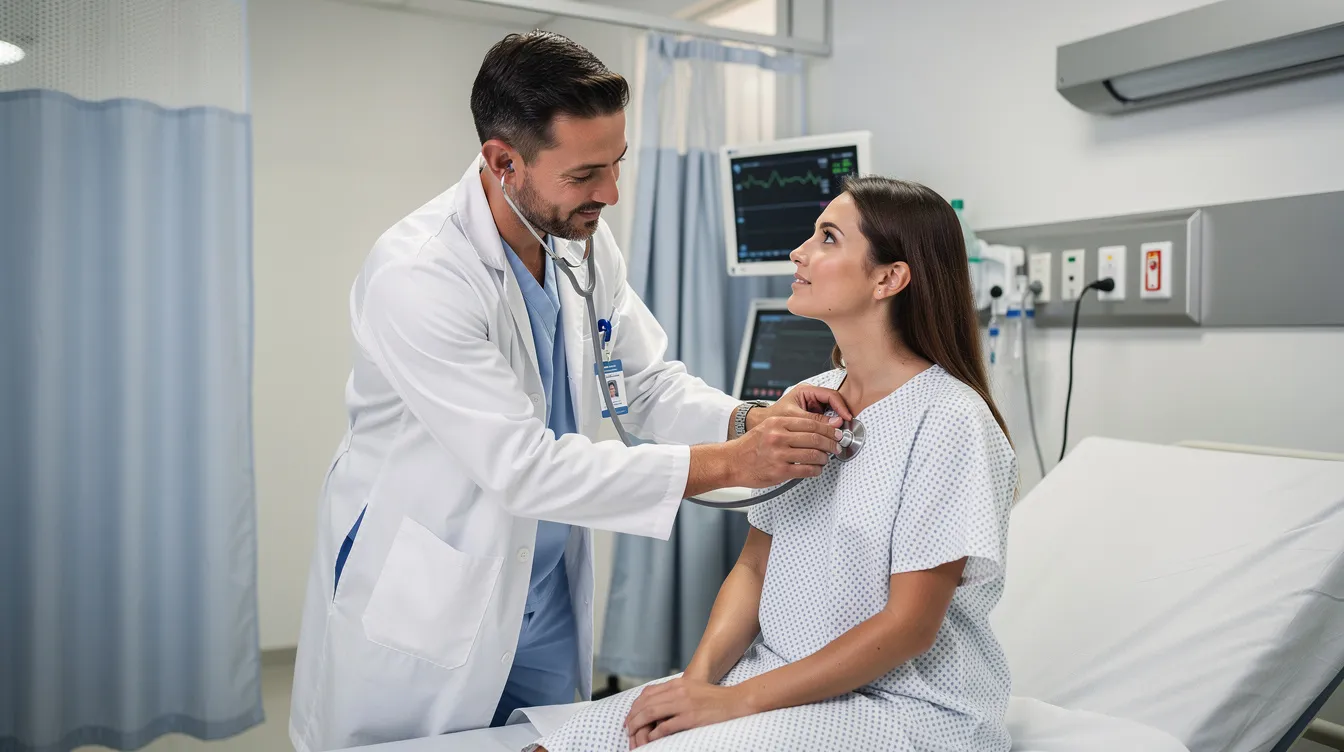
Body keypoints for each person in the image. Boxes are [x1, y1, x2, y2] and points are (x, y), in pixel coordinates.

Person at [288, 31, 854, 752]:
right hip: (433, 588)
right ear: (503, 162)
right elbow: (523, 466)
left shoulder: (581, 241)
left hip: (545, 587)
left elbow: (645, 383)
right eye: (587, 174)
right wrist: (738, 463)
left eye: (617, 165)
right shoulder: (419, 275)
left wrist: (747, 418)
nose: (610, 195)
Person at [529, 176, 1018, 752]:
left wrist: (731, 704)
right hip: (777, 676)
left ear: (890, 277)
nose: (799, 252)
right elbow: (754, 572)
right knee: (567, 744)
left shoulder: (949, 419)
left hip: (907, 704)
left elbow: (910, 625)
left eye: (828, 238)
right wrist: (696, 685)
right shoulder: (810, 399)